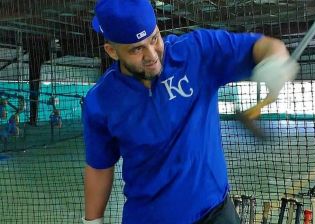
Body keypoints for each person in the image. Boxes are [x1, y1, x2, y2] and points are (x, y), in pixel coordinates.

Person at [82, 0, 299, 223]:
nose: (152, 55)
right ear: (112, 51)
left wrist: (275, 62)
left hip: (216, 213)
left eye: (154, 38)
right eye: (137, 49)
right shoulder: (101, 101)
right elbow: (99, 166)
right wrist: (92, 222)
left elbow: (264, 46)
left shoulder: (197, 52)